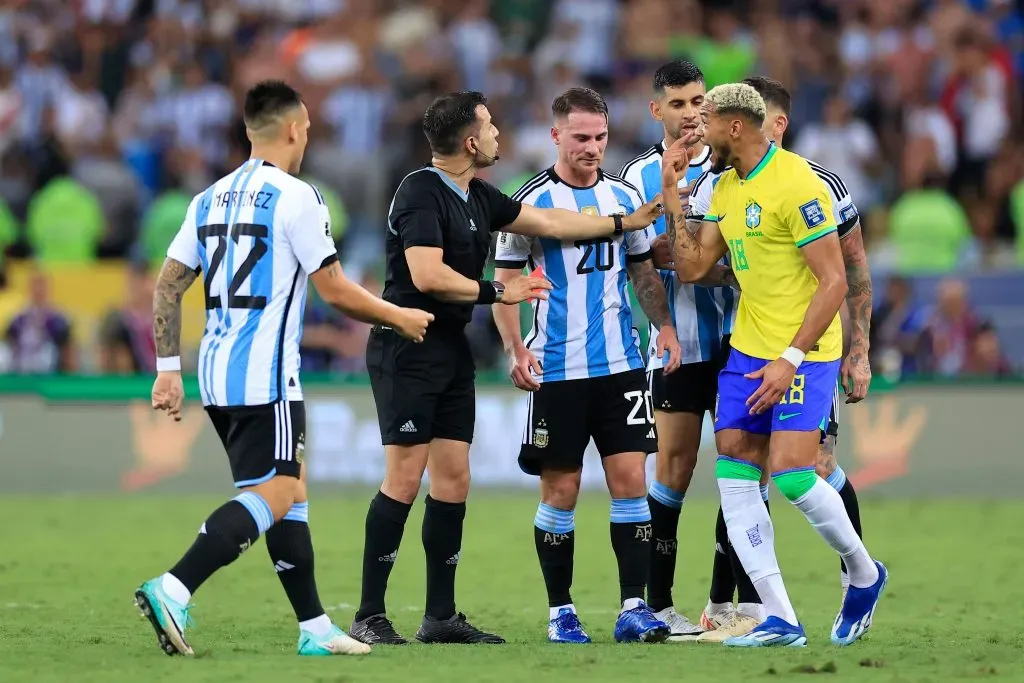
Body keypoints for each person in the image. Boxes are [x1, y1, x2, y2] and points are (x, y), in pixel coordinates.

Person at [350, 91, 664, 646]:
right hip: (407, 347)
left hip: (449, 348)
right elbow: (426, 274)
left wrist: (621, 221)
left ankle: (439, 616)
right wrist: (499, 290)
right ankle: (370, 614)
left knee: (453, 479)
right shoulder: (421, 190)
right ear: (471, 141)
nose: (498, 134)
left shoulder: (478, 194)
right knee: (404, 477)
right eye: (490, 127)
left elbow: (549, 220)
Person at [134, 80, 433, 658]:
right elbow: (335, 290)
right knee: (280, 489)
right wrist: (396, 315)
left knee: (287, 496)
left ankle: (315, 627)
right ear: (294, 128)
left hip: (216, 375)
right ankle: (173, 587)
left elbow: (168, 285)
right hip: (266, 375)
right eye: (309, 126)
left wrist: (167, 368)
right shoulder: (299, 197)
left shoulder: (208, 198)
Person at [664, 82, 886, 647]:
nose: (698, 130)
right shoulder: (727, 186)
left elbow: (836, 280)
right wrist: (672, 196)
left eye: (707, 119)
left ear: (735, 127)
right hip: (748, 349)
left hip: (804, 352)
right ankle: (781, 617)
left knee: (792, 474)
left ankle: (864, 572)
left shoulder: (797, 185)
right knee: (735, 473)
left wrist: (792, 356)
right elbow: (690, 267)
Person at [492, 87, 681, 644]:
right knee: (562, 490)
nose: (592, 148)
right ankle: (561, 612)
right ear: (555, 136)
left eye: (599, 137)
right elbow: (505, 282)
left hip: (621, 366)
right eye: (580, 138)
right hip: (556, 368)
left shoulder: (623, 197)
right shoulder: (526, 204)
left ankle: (633, 608)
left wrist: (664, 326)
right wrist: (514, 347)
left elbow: (644, 272)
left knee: (630, 481)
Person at [619, 59, 735, 641]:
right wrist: (662, 322)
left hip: (744, 344)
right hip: (679, 347)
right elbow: (643, 264)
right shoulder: (637, 177)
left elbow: (735, 258)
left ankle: (725, 602)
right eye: (680, 103)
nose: (692, 114)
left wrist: (692, 254)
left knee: (743, 470)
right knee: (675, 468)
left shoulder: (736, 167)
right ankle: (660, 602)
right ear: (656, 110)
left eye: (699, 102)